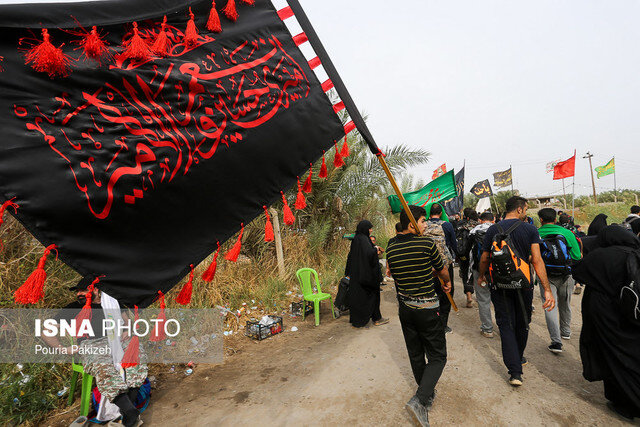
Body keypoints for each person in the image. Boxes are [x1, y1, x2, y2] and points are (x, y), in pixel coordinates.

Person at [43, 276, 147, 427]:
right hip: (92, 344)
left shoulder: (112, 302)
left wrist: (126, 330)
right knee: (104, 367)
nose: (79, 294)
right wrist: (63, 349)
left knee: (137, 355)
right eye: (77, 291)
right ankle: (130, 413)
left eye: (83, 290)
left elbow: (126, 322)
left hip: (117, 339)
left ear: (97, 290)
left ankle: (127, 410)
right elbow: (47, 331)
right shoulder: (73, 308)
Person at [477, 196, 555, 387]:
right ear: (520, 210)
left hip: (500, 285)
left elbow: (485, 257)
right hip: (524, 285)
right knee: (523, 322)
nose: (526, 212)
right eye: (526, 209)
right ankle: (518, 358)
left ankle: (515, 372)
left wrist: (482, 276)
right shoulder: (530, 229)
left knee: (505, 325)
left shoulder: (493, 229)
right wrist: (547, 289)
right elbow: (536, 260)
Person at [386, 205, 452, 426]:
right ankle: (420, 399)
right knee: (438, 356)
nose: (425, 225)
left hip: (405, 308)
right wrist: (447, 281)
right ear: (412, 224)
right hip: (427, 308)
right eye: (423, 221)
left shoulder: (390, 246)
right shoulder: (426, 243)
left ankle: (427, 393)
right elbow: (441, 269)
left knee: (415, 354)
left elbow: (392, 271)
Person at [572, 225, 640, 421]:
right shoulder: (635, 254)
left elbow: (578, 272)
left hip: (605, 315)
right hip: (632, 315)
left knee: (613, 357)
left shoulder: (600, 255)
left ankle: (628, 403)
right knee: (632, 355)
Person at [537, 208, 582, 353]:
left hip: (545, 276)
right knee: (565, 303)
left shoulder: (536, 233)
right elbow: (576, 256)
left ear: (541, 220)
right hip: (566, 275)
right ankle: (566, 332)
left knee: (550, 306)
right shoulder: (567, 233)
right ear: (555, 219)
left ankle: (556, 342)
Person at [345, 220, 388, 327]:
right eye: (370, 228)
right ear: (365, 229)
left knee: (358, 298)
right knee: (373, 295)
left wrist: (348, 272)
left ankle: (359, 320)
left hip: (357, 275)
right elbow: (368, 254)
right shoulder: (364, 239)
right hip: (367, 276)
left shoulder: (356, 239)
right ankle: (377, 318)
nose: (371, 230)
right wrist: (376, 250)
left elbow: (352, 256)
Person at [425, 203, 457, 332]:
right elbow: (454, 244)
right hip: (444, 265)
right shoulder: (446, 225)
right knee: (446, 292)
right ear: (440, 213)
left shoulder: (423, 225)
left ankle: (431, 322)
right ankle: (443, 324)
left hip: (427, 265)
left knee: (430, 293)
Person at [469, 211, 495, 338]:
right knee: (499, 298)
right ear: (493, 220)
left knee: (483, 299)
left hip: (479, 269)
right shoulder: (499, 229)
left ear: (480, 220)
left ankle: (487, 329)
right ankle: (505, 326)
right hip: (497, 270)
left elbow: (466, 250)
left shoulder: (473, 231)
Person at [456, 209, 479, 308]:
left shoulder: (460, 226)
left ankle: (469, 297)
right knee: (477, 274)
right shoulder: (479, 226)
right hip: (476, 255)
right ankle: (480, 296)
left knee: (465, 274)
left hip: (464, 254)